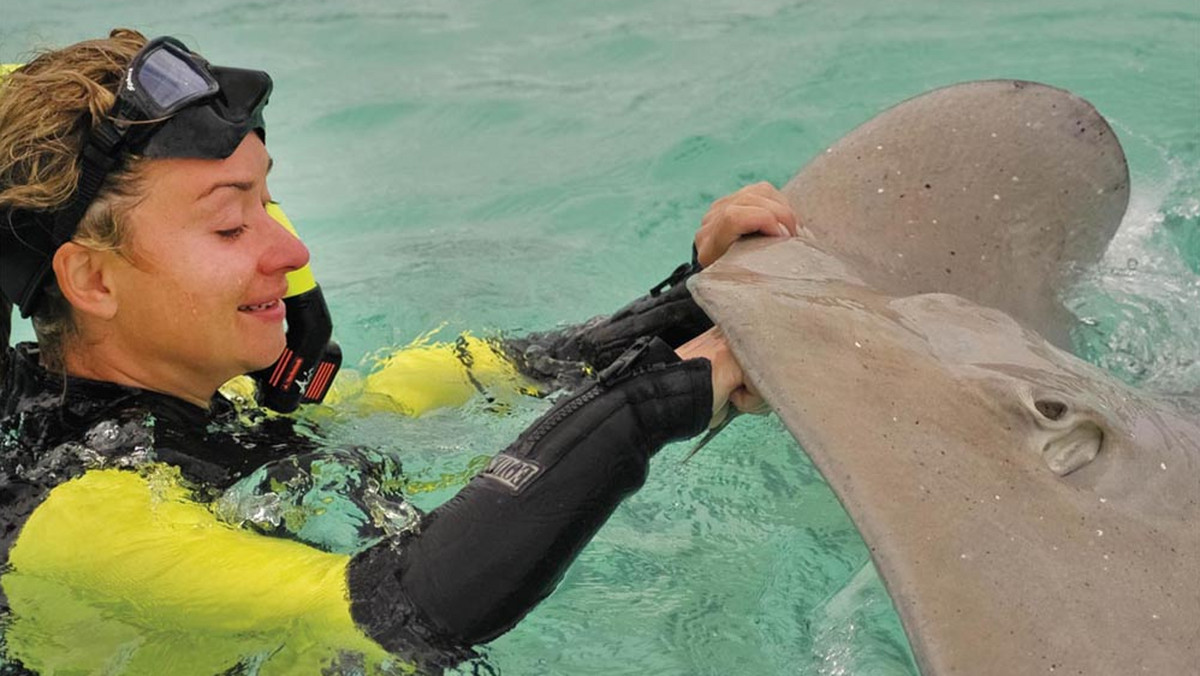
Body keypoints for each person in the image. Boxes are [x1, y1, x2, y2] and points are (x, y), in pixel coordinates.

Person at [0, 29, 798, 674]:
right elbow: (408, 609)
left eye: (269, 200)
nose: (291, 247)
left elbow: (428, 388)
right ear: (93, 282)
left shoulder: (227, 399)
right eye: (229, 225)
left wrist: (691, 299)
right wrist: (654, 404)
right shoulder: (85, 518)